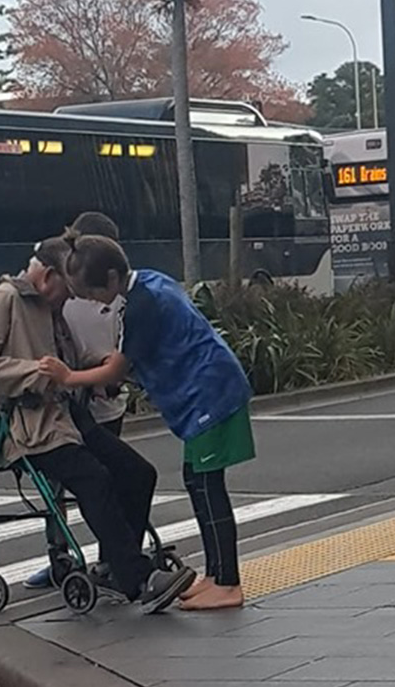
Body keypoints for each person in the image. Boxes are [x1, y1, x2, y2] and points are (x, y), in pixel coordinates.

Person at [0, 236, 195, 614]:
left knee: (138, 472)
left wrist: (108, 368)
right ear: (48, 276)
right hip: (30, 426)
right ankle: (137, 578)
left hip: (69, 417)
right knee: (94, 479)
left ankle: (117, 564)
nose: (70, 300)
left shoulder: (49, 306)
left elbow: (72, 359)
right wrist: (31, 373)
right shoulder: (4, 301)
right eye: (68, 291)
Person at [39, 233, 255, 611]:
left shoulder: (142, 305)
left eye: (90, 293)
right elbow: (130, 361)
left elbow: (118, 367)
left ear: (110, 278)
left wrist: (67, 376)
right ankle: (217, 576)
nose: (90, 301)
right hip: (207, 393)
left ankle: (229, 584)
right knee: (198, 482)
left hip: (211, 394)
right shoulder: (149, 283)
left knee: (206, 487)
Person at [25, 211, 128, 590]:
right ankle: (60, 557)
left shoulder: (116, 296)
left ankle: (109, 558)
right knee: (59, 484)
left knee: (107, 479)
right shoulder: (60, 292)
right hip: (68, 402)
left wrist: (108, 376)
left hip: (105, 398)